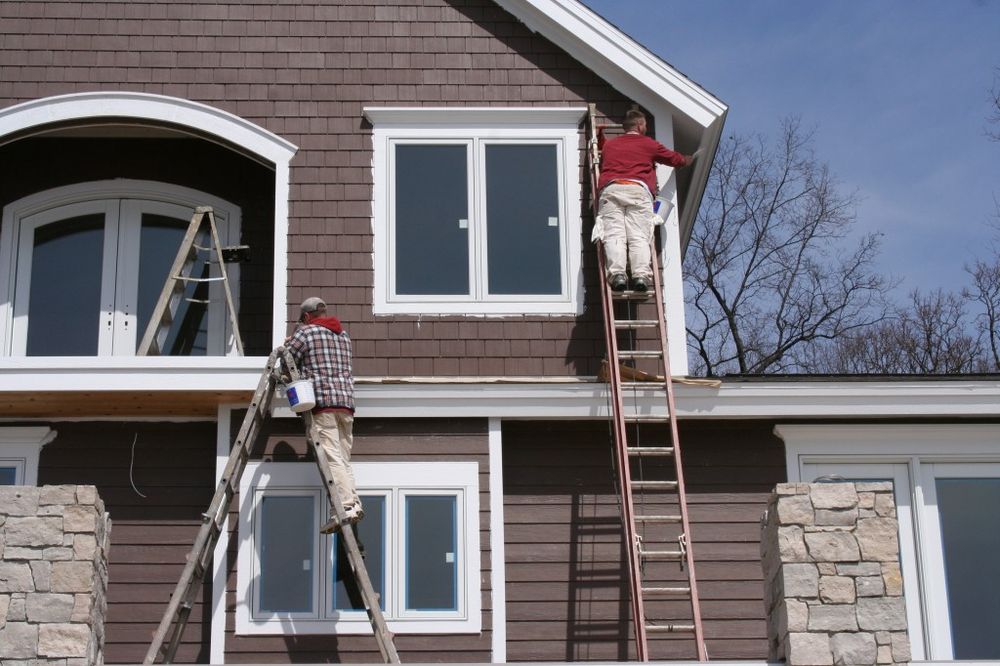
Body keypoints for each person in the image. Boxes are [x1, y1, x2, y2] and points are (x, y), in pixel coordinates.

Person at [595, 108, 695, 293]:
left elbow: (604, 147)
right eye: (646, 125)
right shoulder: (648, 144)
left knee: (614, 235)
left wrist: (600, 136)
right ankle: (640, 275)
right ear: (640, 125)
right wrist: (686, 160)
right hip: (637, 192)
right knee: (638, 236)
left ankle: (617, 275)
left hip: (612, 190)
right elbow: (673, 158)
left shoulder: (610, 145)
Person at [285, 296, 362, 534]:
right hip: (346, 404)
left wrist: (292, 337)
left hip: (323, 404)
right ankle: (354, 503)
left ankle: (346, 506)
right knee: (342, 457)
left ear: (307, 316)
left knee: (331, 457)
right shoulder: (343, 335)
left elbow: (286, 363)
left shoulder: (305, 333)